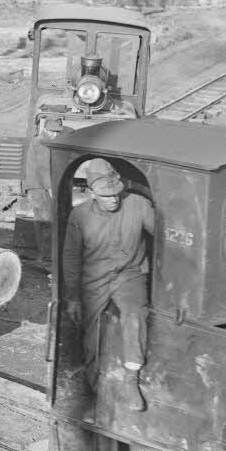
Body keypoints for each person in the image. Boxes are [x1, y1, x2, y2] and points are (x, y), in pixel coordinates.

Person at [62, 159, 154, 413]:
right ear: (92, 192)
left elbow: (166, 234)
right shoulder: (79, 215)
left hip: (129, 274)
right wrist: (73, 297)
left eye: (116, 193)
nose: (113, 199)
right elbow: (71, 258)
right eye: (105, 195)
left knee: (135, 314)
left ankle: (130, 381)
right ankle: (94, 387)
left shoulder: (138, 205)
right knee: (89, 331)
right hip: (93, 277)